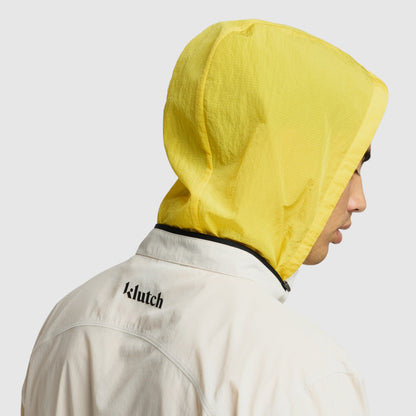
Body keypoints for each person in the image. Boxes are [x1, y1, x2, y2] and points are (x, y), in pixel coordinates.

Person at [21, 19, 388, 415]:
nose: (359, 200)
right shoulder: (305, 377)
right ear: (290, 161)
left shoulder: (67, 320)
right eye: (347, 166)